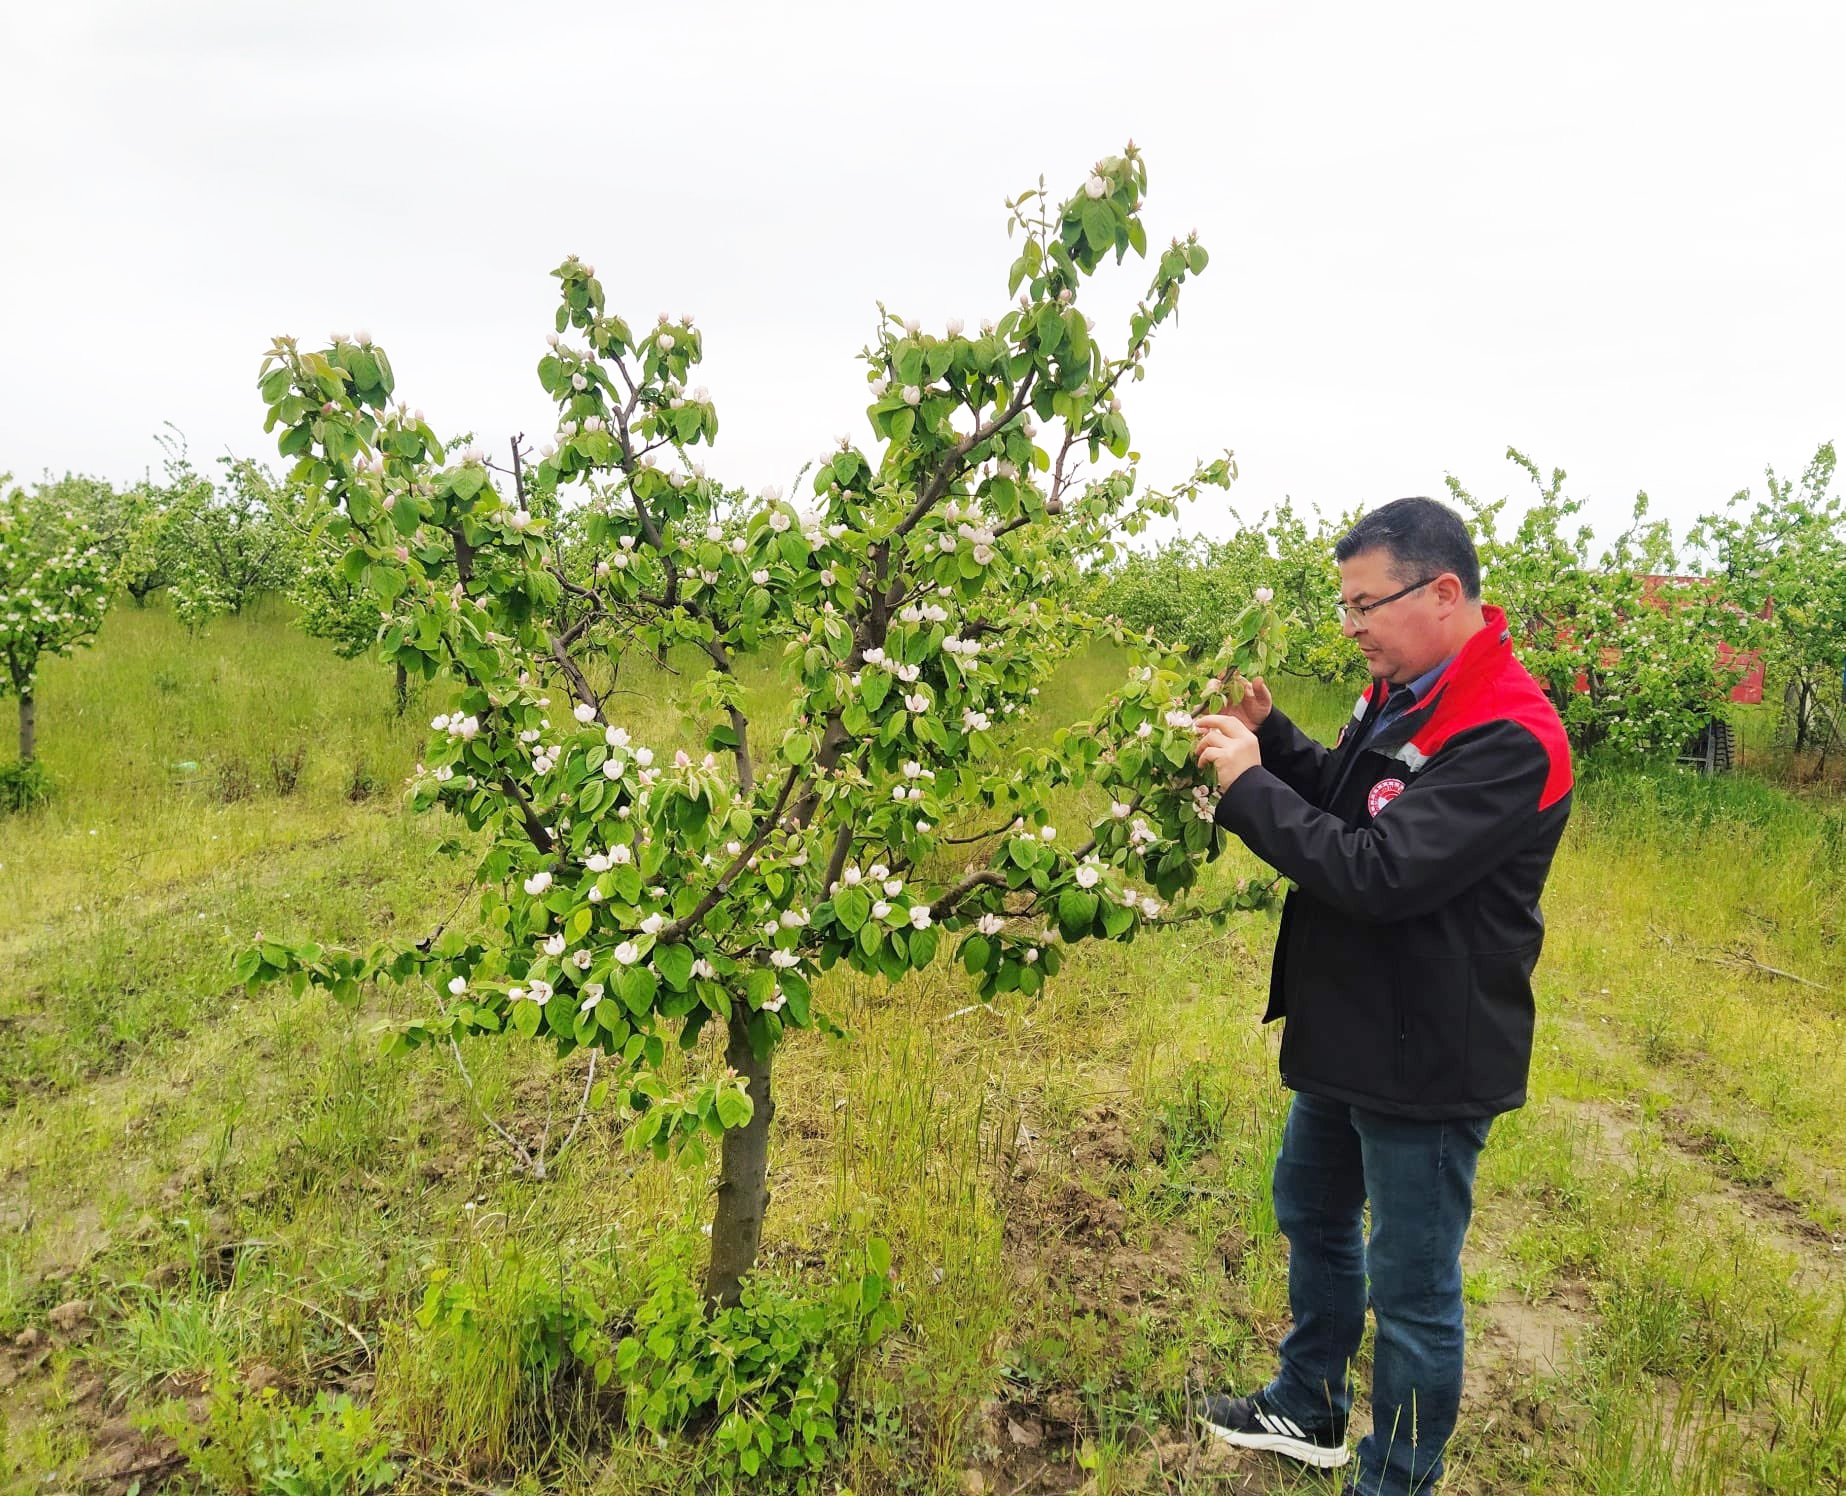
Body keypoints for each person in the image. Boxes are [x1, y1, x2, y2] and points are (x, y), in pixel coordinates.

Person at [1187, 496, 1573, 1496]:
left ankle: (1395, 1477)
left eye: (1366, 602)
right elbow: (1353, 798)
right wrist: (1273, 742)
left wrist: (1243, 790)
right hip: (1353, 1025)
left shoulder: (1509, 735)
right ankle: (1307, 1401)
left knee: (1410, 1289)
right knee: (1309, 1207)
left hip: (1428, 1052)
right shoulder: (1398, 686)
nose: (1350, 624)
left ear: (1443, 592)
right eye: (1345, 604)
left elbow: (1379, 869)